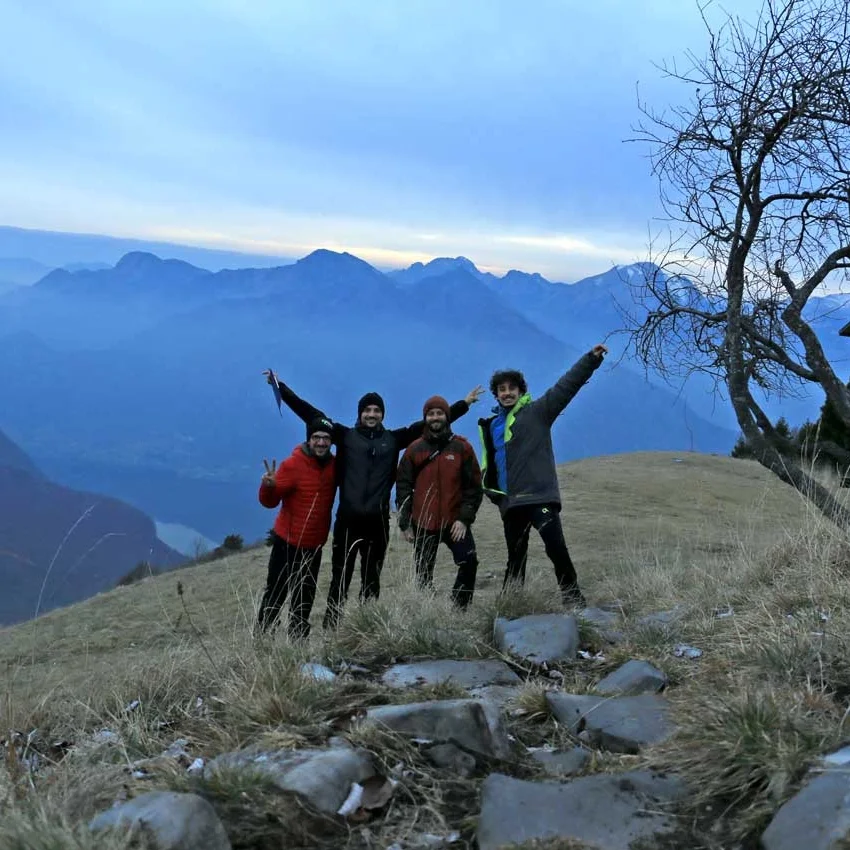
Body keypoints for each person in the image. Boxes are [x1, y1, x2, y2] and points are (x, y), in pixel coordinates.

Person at [263, 370, 484, 628]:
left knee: (372, 580)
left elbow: (429, 424)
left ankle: (367, 626)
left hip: (378, 524)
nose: (371, 414)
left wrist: (463, 404)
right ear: (360, 414)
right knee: (340, 578)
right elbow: (312, 415)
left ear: (382, 414)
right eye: (367, 410)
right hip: (347, 521)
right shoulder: (345, 437)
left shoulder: (393, 440)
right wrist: (281, 388)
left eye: (376, 410)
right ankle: (332, 627)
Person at [478, 345, 608, 607]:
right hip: (511, 503)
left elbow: (565, 387)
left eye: (511, 388)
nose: (507, 393)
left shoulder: (538, 412)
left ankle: (573, 599)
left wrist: (590, 360)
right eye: (501, 389)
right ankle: (510, 605)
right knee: (515, 557)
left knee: (556, 548)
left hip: (539, 498)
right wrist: (495, 496)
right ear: (496, 394)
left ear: (521, 391)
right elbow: (489, 464)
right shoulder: (491, 426)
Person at [396, 395, 483, 609]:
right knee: (423, 575)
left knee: (469, 562)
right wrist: (405, 523)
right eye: (431, 414)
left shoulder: (462, 447)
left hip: (454, 521)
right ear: (425, 418)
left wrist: (464, 519)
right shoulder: (414, 449)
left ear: (447, 416)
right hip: (423, 523)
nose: (435, 417)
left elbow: (473, 487)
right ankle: (428, 613)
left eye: (440, 413)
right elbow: (403, 487)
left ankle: (459, 609)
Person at [255, 416, 336, 639]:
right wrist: (268, 487)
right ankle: (263, 639)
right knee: (276, 593)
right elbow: (269, 502)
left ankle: (297, 643)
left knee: (304, 599)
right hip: (287, 543)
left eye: (326, 438)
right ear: (309, 439)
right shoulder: (292, 464)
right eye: (316, 437)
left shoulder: (334, 466)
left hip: (314, 546)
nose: (321, 442)